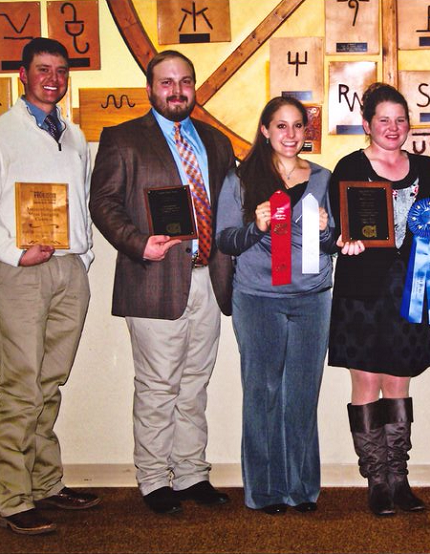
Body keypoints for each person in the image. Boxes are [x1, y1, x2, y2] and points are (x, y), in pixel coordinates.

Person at [89, 50, 235, 515]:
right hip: (152, 278)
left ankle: (192, 473)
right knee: (157, 387)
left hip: (207, 278)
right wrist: (137, 243)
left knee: (195, 384)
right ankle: (154, 480)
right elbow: (105, 203)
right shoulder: (124, 138)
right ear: (149, 89)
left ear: (195, 87)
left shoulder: (215, 142)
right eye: (166, 82)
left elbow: (230, 206)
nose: (177, 90)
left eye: (185, 81)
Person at [216, 97, 336, 515]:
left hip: (312, 297)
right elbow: (225, 240)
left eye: (297, 126)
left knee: (302, 394)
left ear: (307, 132)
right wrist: (256, 227)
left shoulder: (323, 178)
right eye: (280, 126)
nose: (290, 134)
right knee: (262, 393)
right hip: (259, 297)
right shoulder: (242, 179)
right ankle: (265, 491)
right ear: (265, 130)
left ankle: (302, 488)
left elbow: (333, 243)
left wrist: (325, 231)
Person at [0, 38, 99, 536]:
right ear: (23, 75)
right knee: (19, 384)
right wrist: (14, 252)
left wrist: (83, 255)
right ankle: (11, 496)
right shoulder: (3, 133)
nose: (53, 78)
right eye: (43, 69)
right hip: (21, 272)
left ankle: (45, 483)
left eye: (60, 71)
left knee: (49, 383)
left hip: (68, 269)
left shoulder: (75, 135)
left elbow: (78, 202)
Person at [328, 83, 430, 516]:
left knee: (399, 382)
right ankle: (375, 479)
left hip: (412, 288)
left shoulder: (428, 169)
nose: (393, 128)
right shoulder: (350, 166)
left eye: (400, 119)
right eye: (383, 120)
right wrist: (345, 241)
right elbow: (340, 228)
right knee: (366, 384)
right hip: (362, 291)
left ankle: (400, 478)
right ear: (367, 125)